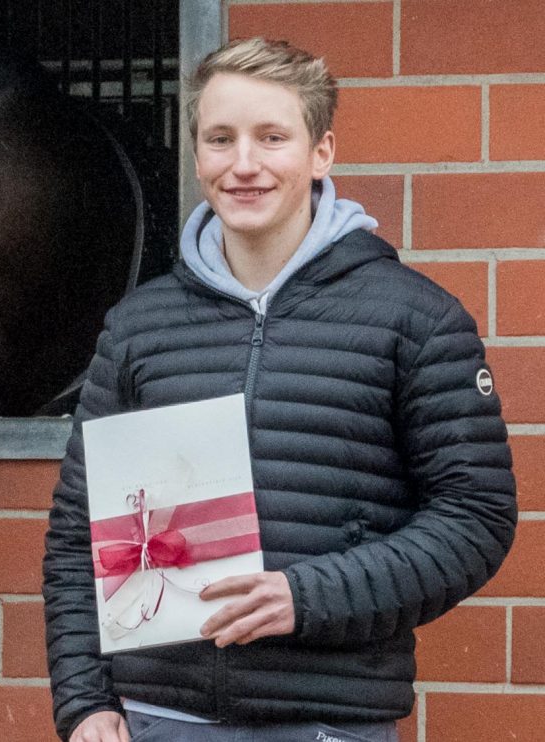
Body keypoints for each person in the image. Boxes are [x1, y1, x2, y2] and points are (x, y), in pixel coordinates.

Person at [42, 37, 516, 742]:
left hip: (327, 720)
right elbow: (80, 534)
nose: (244, 165)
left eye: (271, 137)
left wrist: (306, 597)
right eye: (220, 139)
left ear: (321, 152)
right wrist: (84, 704)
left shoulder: (414, 320)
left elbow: (475, 519)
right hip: (156, 720)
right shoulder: (140, 328)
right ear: (197, 153)